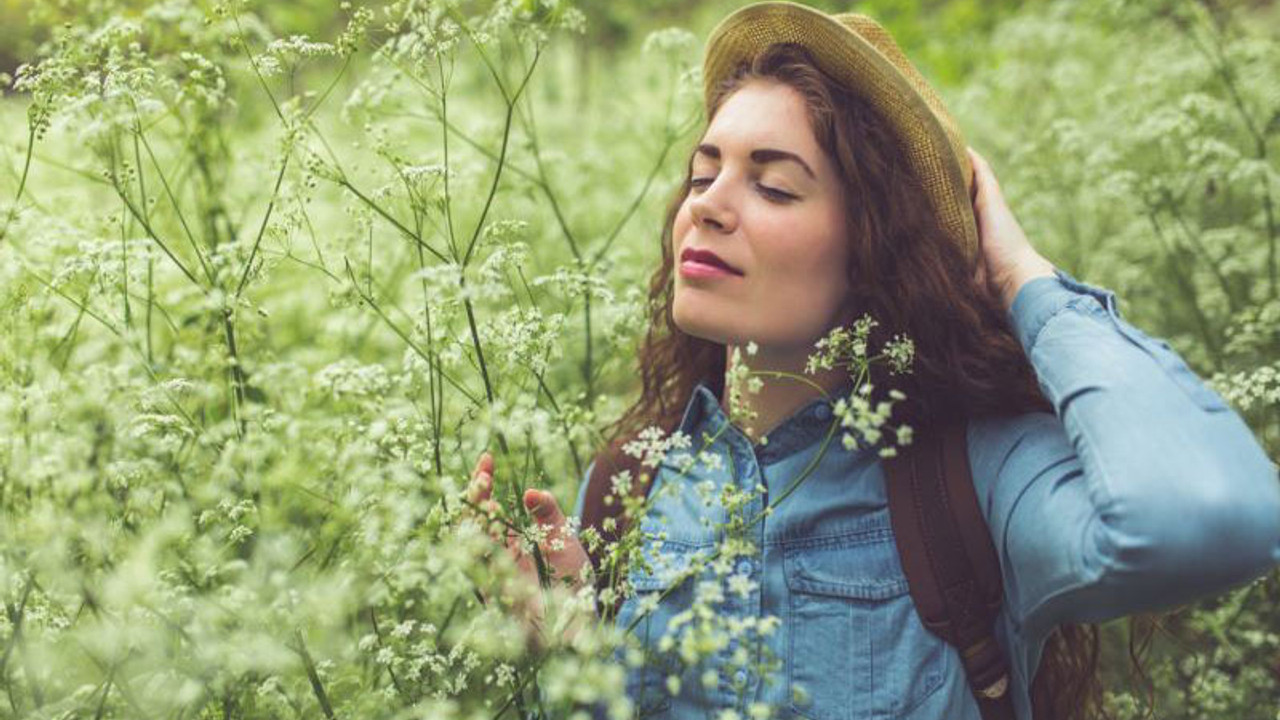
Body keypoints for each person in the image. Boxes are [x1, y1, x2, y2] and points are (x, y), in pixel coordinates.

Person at [464, 2, 1280, 718]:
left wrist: (1022, 278)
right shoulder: (631, 481)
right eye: (703, 172)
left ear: (876, 250)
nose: (706, 204)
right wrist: (573, 663)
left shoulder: (968, 477)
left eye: (773, 187)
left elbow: (1207, 519)